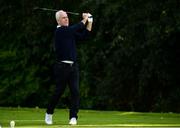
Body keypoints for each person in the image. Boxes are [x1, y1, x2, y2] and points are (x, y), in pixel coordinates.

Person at [45, 10, 93, 125]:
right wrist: (85, 18)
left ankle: (73, 117)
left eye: (67, 17)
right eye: (63, 18)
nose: (66, 19)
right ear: (58, 20)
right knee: (58, 92)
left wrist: (90, 21)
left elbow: (84, 36)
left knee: (75, 92)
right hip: (62, 67)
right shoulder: (60, 31)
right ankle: (49, 113)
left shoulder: (69, 32)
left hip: (73, 67)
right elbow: (79, 26)